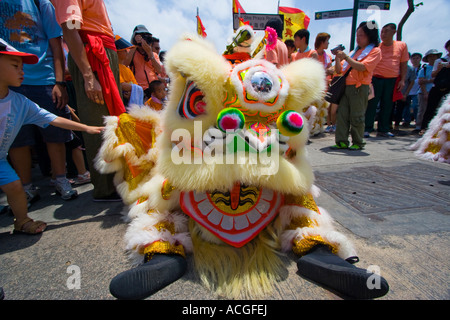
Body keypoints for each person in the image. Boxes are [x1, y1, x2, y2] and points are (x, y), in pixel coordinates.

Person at [0, 39, 103, 234]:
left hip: (0, 159)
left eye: (22, 67)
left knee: (15, 187)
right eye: (15, 66)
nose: (22, 71)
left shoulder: (21, 102)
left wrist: (86, 128)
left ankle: (21, 221)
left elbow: (54, 119)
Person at [1, 0, 80, 201]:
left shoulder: (40, 3)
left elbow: (56, 43)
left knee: (55, 133)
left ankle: (61, 179)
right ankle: (25, 187)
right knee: (17, 137)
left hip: (44, 78)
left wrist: (59, 82)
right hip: (9, 81)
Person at [52, 0, 125, 202]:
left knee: (113, 122)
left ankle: (118, 182)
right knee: (98, 122)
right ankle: (106, 188)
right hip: (90, 55)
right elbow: (70, 29)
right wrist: (88, 76)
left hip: (103, 51)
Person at [331, 21, 382, 150]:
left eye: (361, 35)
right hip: (346, 87)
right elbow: (339, 70)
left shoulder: (375, 51)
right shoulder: (355, 51)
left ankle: (358, 142)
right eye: (357, 35)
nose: (358, 38)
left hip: (360, 87)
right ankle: (341, 141)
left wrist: (346, 57)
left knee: (357, 116)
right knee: (342, 115)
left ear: (370, 36)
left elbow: (363, 67)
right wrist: (338, 58)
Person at [364, 23, 409, 138]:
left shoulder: (401, 46)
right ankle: (367, 128)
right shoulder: (376, 46)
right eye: (382, 31)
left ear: (394, 32)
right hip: (375, 78)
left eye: (387, 31)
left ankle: (383, 129)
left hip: (392, 79)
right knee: (371, 104)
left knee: (388, 104)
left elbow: (403, 64)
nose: (383, 34)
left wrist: (402, 80)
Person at [421, 40, 450, 132]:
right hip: (438, 86)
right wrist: (440, 68)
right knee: (431, 108)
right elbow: (433, 74)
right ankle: (424, 128)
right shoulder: (439, 61)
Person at [128, 25, 163, 100]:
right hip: (140, 92)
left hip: (155, 92)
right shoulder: (131, 52)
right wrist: (134, 44)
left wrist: (150, 53)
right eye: (141, 37)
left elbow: (159, 70)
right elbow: (124, 64)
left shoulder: (153, 54)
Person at [413, 49, 442, 134]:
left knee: (436, 110)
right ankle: (419, 126)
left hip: (437, 92)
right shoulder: (424, 69)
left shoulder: (440, 68)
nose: (433, 58)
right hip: (424, 92)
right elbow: (420, 82)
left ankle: (433, 127)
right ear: (427, 58)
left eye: (434, 56)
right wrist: (425, 92)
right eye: (431, 56)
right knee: (422, 110)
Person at [392, 52, 417, 133]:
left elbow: (412, 82)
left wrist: (406, 93)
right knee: (389, 109)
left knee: (400, 109)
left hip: (402, 92)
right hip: (391, 92)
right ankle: (387, 126)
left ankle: (396, 126)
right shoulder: (393, 67)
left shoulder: (410, 69)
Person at [402, 53, 422, 128]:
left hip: (417, 91)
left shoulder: (423, 68)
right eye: (413, 58)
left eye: (417, 58)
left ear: (420, 59)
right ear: (411, 60)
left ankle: (418, 121)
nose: (415, 60)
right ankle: (406, 121)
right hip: (407, 91)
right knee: (406, 106)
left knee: (416, 106)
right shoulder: (409, 68)